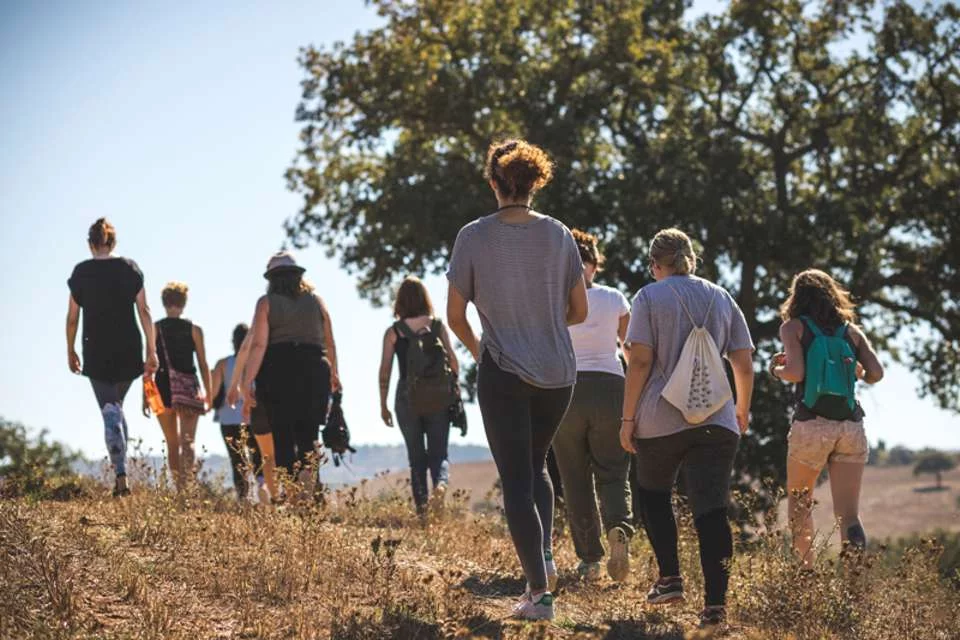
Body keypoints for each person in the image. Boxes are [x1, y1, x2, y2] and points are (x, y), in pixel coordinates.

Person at [446, 139, 588, 621]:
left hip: (504, 370)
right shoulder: (560, 235)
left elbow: (454, 314)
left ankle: (539, 595)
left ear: (493, 183)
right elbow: (579, 311)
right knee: (536, 465)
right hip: (559, 374)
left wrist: (481, 349)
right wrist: (540, 324)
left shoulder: (473, 236)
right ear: (535, 182)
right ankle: (544, 557)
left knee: (516, 482)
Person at [619, 228, 754, 628]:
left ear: (656, 264)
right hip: (717, 418)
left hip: (661, 419)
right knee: (711, 509)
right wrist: (741, 409)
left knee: (653, 494)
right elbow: (743, 362)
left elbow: (640, 361)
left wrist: (627, 420)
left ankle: (670, 579)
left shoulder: (648, 296)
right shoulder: (722, 297)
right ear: (691, 259)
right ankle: (715, 608)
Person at [770, 269, 884, 567]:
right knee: (848, 514)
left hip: (811, 424)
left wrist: (775, 370)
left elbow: (795, 373)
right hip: (850, 426)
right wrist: (857, 370)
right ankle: (854, 583)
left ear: (797, 297)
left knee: (800, 504)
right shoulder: (851, 331)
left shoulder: (793, 328)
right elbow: (877, 373)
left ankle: (806, 579)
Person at [552, 229, 634, 584]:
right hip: (611, 387)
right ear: (594, 265)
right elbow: (631, 349)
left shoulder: (554, 299)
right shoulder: (614, 297)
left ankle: (589, 559)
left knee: (574, 478)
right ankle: (619, 529)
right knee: (613, 471)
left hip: (567, 390)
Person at [67, 218, 158, 497]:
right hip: (129, 349)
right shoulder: (130, 268)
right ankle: (122, 471)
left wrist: (69, 349)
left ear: (90, 244)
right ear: (113, 242)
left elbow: (73, 318)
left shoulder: (81, 273)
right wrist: (151, 350)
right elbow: (145, 310)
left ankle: (121, 475)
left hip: (95, 349)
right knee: (116, 407)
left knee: (109, 409)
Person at [241, 252, 341, 501]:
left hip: (278, 369)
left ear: (271, 279)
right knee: (309, 433)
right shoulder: (317, 301)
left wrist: (247, 382)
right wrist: (334, 372)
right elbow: (330, 341)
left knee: (282, 433)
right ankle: (309, 482)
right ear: (299, 275)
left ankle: (294, 490)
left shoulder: (266, 303)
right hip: (314, 367)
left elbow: (258, 345)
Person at [378, 277, 459, 515]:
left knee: (417, 458)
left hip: (407, 399)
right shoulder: (437, 327)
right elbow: (453, 361)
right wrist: (454, 391)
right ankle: (441, 485)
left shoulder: (394, 332)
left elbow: (385, 370)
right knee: (439, 454)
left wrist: (383, 405)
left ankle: (423, 513)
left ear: (399, 301)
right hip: (438, 398)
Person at [149, 282, 212, 490]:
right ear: (184, 303)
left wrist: (145, 397)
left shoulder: (155, 328)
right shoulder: (195, 329)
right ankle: (188, 485)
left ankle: (178, 489)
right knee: (188, 442)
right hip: (189, 389)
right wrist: (209, 393)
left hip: (160, 389)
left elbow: (149, 364)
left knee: (172, 443)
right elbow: (203, 364)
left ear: (164, 303)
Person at [211, 323, 264, 501]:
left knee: (237, 460)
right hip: (252, 417)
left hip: (228, 419)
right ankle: (262, 492)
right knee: (258, 456)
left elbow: (213, 393)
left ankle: (243, 497)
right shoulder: (257, 363)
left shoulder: (223, 364)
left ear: (233, 342)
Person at [226, 330, 278, 503]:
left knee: (261, 458)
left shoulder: (225, 363)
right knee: (280, 455)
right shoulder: (282, 337)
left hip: (253, 406)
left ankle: (266, 498)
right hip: (280, 399)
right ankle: (278, 495)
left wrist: (239, 390)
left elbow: (242, 355)